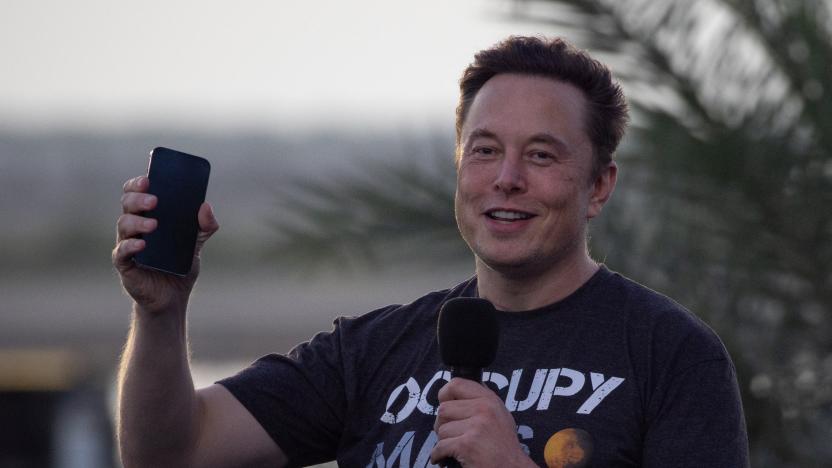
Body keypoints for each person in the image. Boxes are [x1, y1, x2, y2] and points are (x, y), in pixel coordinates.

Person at [113, 36, 749, 467]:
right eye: (485, 149)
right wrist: (161, 313)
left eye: (541, 155)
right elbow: (170, 454)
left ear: (599, 187)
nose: (507, 179)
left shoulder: (671, 354)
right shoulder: (370, 352)